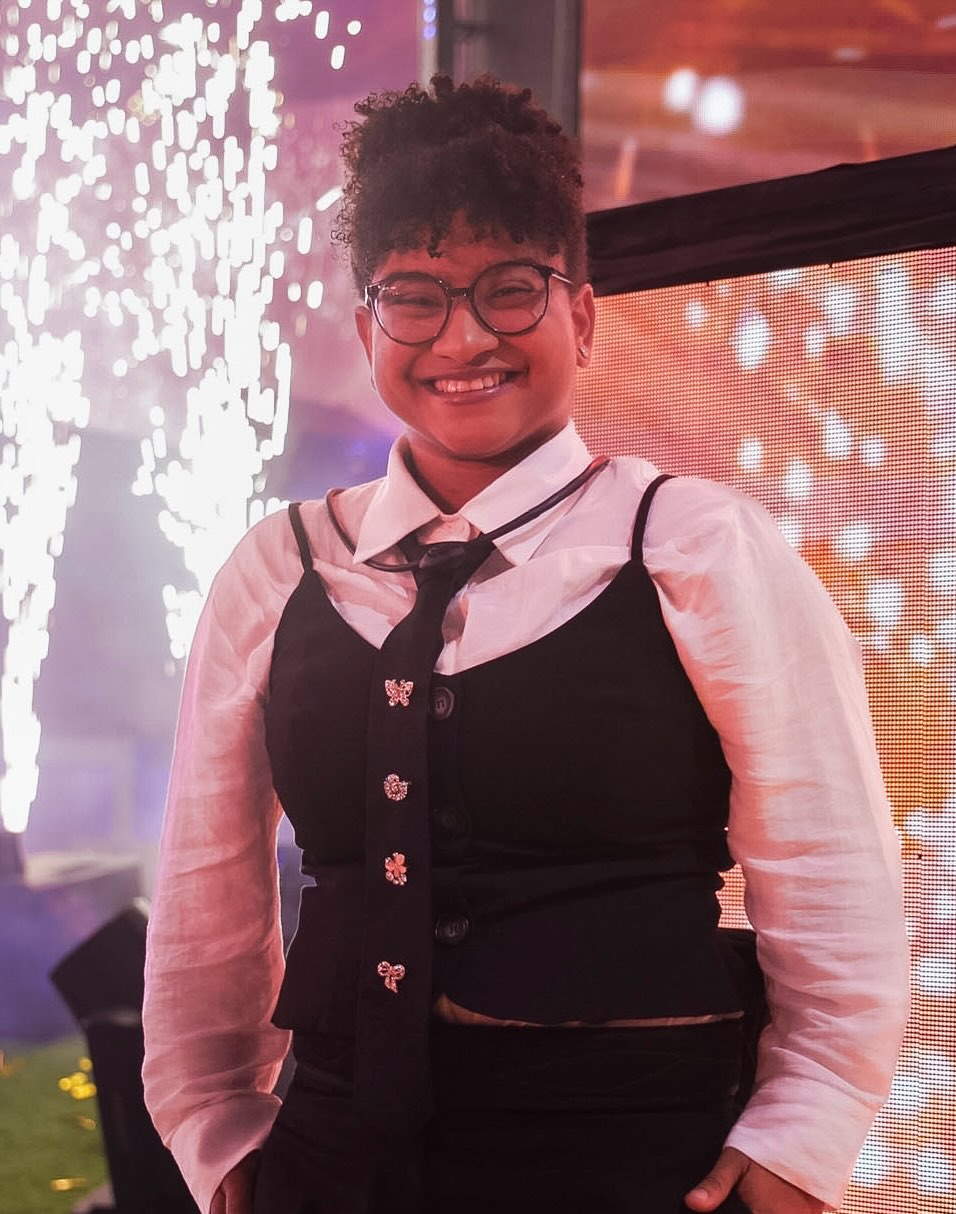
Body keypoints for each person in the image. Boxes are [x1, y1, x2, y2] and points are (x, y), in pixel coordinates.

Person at [142, 76, 909, 1214]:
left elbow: (831, 870)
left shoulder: (692, 544)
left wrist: (803, 1138)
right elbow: (206, 890)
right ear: (367, 331)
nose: (463, 337)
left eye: (510, 290)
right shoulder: (280, 566)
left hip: (636, 1158)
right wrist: (214, 1129)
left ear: (582, 317)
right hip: (333, 1159)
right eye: (414, 299)